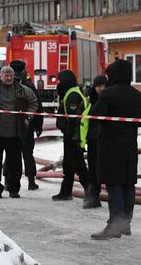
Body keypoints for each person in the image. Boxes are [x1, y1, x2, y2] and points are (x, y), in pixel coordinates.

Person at [88, 59, 141, 240]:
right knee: (128, 184)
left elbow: (94, 115)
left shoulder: (108, 94)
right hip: (130, 145)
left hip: (111, 146)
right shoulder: (137, 95)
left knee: (114, 184)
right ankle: (125, 224)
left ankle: (114, 226)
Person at [0, 65, 37, 198]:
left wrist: (28, 117)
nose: (9, 78)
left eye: (11, 75)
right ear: (1, 76)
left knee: (15, 163)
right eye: (6, 75)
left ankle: (14, 189)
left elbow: (33, 102)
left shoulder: (21, 89)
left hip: (15, 133)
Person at [52, 70, 90, 205]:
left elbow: (74, 119)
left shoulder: (73, 95)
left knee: (79, 165)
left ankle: (91, 193)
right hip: (70, 135)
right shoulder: (70, 93)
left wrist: (70, 134)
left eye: (59, 81)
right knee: (68, 165)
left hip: (73, 136)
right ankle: (66, 192)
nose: (58, 84)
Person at [9, 59, 43, 190]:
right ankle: (31, 182)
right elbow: (37, 106)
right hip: (27, 124)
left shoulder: (4, 84)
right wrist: (38, 126)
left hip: (9, 125)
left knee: (10, 153)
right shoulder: (29, 85)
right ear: (23, 70)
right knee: (28, 153)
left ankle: (8, 181)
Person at [83, 74, 107, 209]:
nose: (102, 88)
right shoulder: (89, 100)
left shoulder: (109, 99)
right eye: (99, 86)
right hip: (92, 138)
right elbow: (83, 120)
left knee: (104, 168)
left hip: (106, 139)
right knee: (93, 169)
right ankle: (94, 196)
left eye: (104, 85)